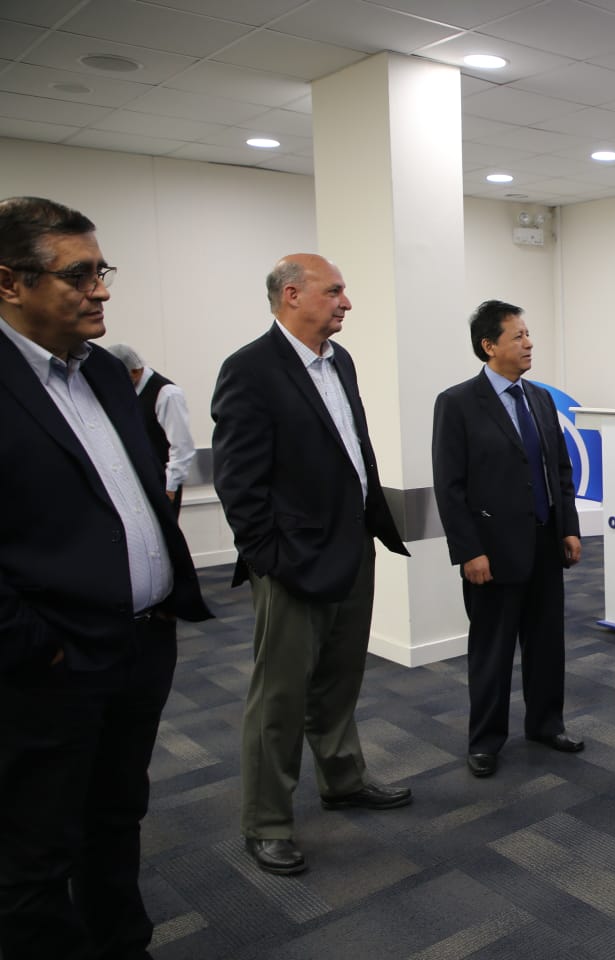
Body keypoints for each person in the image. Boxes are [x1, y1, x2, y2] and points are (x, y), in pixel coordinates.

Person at [0, 196, 210, 958]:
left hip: (140, 644)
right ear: (9, 282)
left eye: (102, 270)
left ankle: (124, 943)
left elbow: (136, 493)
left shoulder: (107, 375)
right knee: (37, 848)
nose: (101, 291)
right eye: (78, 275)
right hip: (52, 663)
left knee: (116, 816)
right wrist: (39, 645)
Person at [211, 254, 411, 876]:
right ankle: (267, 822)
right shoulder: (249, 369)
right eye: (335, 291)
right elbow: (239, 482)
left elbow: (352, 450)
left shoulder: (339, 361)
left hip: (352, 546)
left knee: (339, 679)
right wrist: (269, 559)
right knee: (279, 698)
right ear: (292, 295)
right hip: (292, 563)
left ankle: (343, 779)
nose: (346, 302)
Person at [432, 300, 584, 780]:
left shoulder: (540, 398)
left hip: (544, 543)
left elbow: (560, 470)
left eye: (528, 334)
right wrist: (469, 551)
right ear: (489, 345)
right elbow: (449, 486)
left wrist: (568, 527)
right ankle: (485, 741)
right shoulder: (457, 403)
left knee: (546, 644)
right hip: (492, 552)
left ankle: (546, 724)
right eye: (518, 336)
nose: (529, 343)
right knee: (492, 652)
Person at [106, 342, 196, 513]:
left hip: (163, 483)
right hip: (137, 482)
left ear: (135, 371)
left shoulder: (167, 393)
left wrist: (170, 486)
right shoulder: (127, 392)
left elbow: (181, 446)